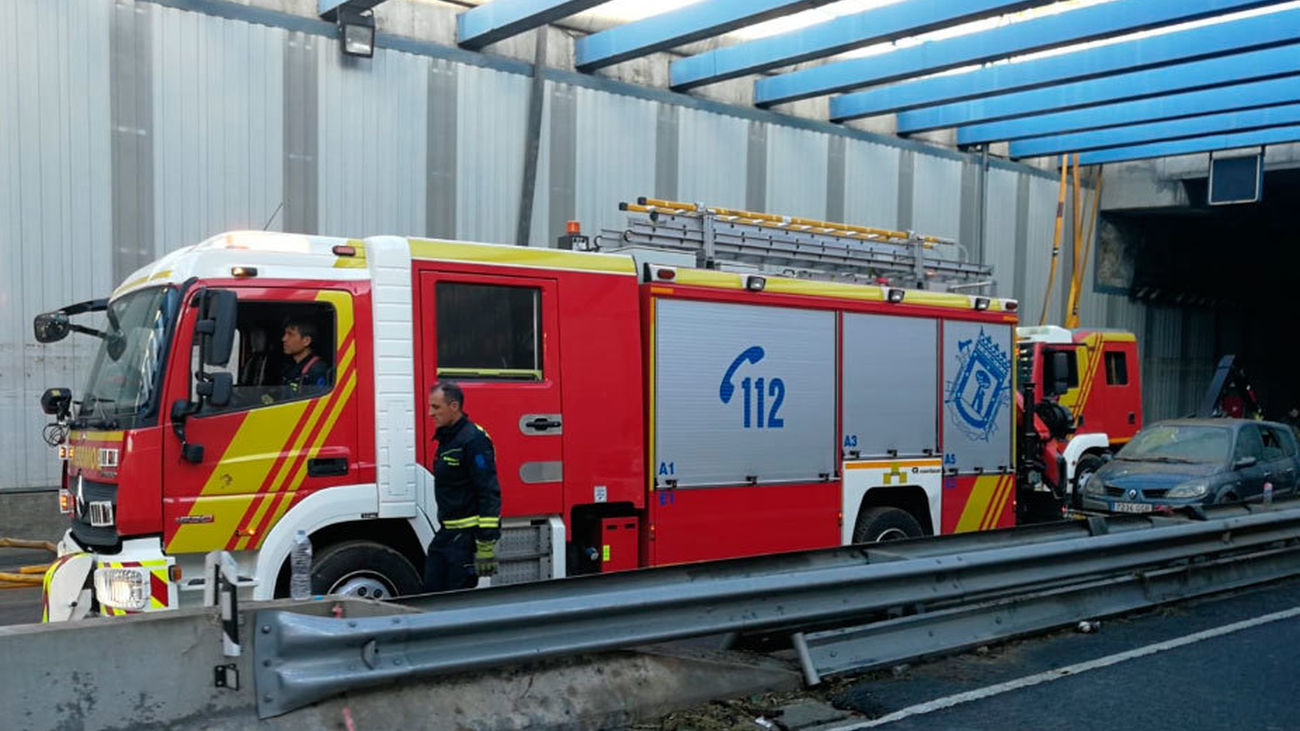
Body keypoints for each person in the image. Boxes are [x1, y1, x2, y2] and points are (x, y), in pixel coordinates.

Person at [423, 382, 501, 593]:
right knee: (430, 592)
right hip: (447, 534)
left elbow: (488, 491)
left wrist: (485, 544)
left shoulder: (474, 440)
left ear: (454, 406)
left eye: (436, 407)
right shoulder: (448, 438)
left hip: (466, 539)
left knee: (455, 601)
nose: (430, 413)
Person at [280, 320, 331, 397]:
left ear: (306, 341)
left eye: (290, 334)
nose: (284, 339)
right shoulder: (289, 365)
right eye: (285, 334)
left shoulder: (316, 370)